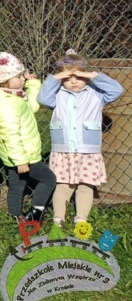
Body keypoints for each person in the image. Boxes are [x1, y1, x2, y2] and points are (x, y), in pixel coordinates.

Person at [38, 49, 125, 227]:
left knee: (86, 186)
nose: (73, 81)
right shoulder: (58, 94)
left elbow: (117, 90)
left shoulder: (97, 93)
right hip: (64, 150)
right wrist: (56, 77)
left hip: (88, 151)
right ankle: (58, 220)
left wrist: (93, 75)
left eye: (78, 76)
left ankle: (81, 220)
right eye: (68, 78)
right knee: (64, 185)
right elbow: (42, 98)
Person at [0, 52, 56, 223]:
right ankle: (36, 213)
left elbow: (31, 106)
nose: (23, 79)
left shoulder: (13, 97)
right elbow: (10, 134)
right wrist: (20, 160)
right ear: (5, 80)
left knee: (17, 186)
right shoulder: (7, 104)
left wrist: (33, 84)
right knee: (49, 179)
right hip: (23, 155)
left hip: (16, 155)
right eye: (19, 76)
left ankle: (15, 216)